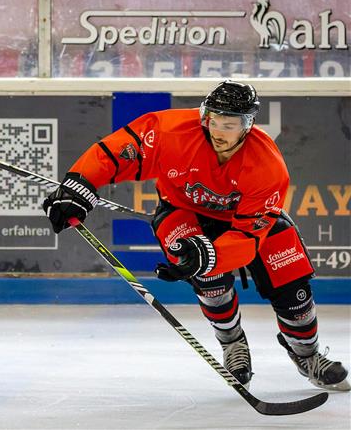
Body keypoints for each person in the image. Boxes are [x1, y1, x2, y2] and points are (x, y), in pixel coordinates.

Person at [43, 80, 350, 391]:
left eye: (229, 124)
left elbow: (247, 237)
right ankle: (232, 344)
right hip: (182, 211)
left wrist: (213, 253)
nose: (217, 131)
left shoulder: (268, 167)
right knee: (207, 278)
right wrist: (79, 186)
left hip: (243, 223)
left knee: (293, 289)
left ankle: (307, 356)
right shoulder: (171, 130)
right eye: (213, 120)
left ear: (247, 125)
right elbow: (118, 152)